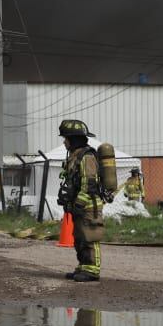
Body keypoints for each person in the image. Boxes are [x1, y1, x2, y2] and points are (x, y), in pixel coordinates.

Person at [57, 119, 105, 282]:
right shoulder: (74, 156)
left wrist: (79, 203)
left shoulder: (87, 156)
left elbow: (89, 183)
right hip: (80, 205)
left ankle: (92, 270)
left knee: (89, 236)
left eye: (66, 139)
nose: (64, 142)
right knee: (79, 237)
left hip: (89, 205)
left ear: (73, 139)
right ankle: (84, 266)